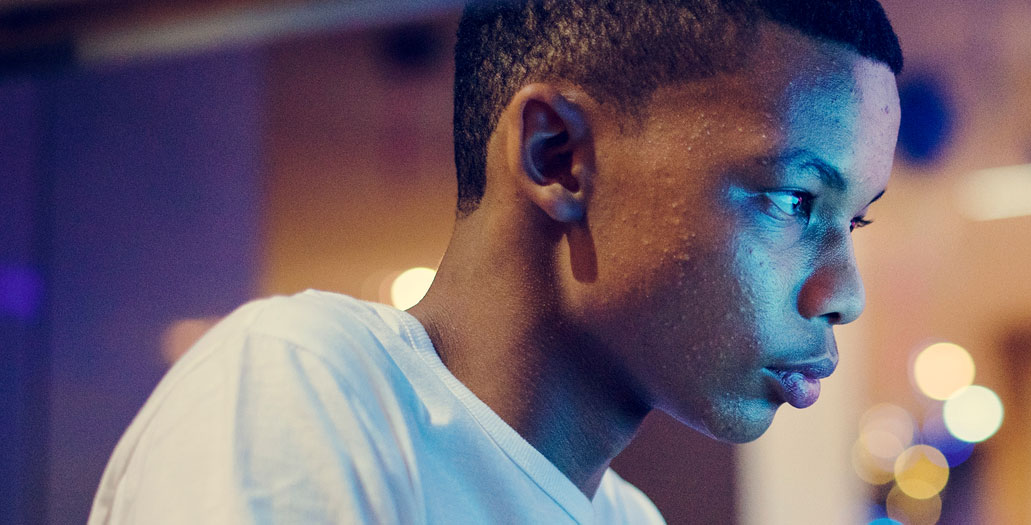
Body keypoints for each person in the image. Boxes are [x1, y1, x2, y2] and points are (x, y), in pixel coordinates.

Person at [88, 0, 901, 523]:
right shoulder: (307, 384)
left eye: (852, 222)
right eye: (795, 200)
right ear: (557, 157)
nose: (846, 294)